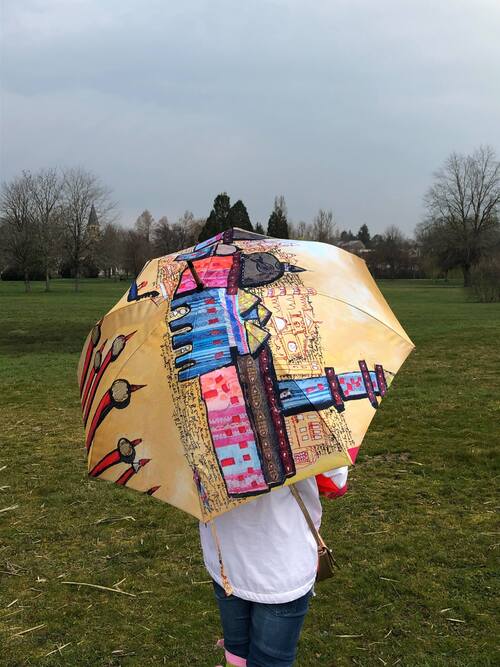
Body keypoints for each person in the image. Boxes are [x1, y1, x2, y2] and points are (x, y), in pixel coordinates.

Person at [199, 466, 349, 667]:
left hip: (225, 556)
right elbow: (336, 480)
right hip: (281, 564)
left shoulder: (186, 432)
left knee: (236, 651)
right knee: (268, 661)